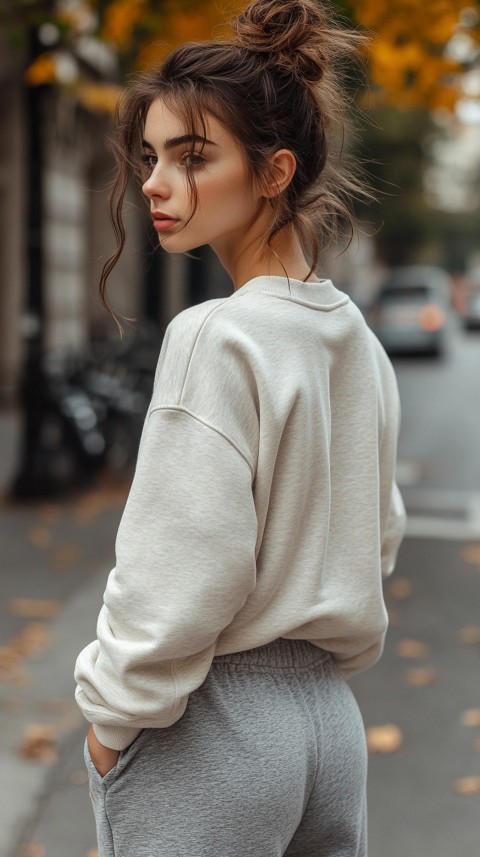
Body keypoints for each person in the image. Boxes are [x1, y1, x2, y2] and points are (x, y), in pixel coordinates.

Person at [74, 1, 406, 854]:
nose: (154, 181)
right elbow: (378, 539)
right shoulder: (356, 342)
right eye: (151, 156)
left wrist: (110, 722)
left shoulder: (215, 334)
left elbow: (180, 565)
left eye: (193, 156)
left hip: (214, 730)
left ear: (273, 171)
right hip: (331, 729)